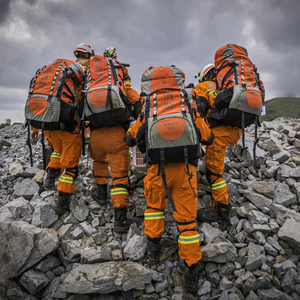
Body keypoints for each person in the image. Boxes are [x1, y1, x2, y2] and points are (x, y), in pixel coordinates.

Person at [124, 65, 214, 293]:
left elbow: (130, 140)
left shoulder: (147, 106)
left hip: (156, 170)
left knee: (154, 208)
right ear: (178, 82)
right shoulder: (188, 104)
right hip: (185, 170)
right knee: (187, 221)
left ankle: (154, 250)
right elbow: (208, 137)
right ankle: (191, 269)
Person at [88, 47, 140, 233]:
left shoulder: (90, 90)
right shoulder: (125, 90)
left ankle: (101, 193)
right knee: (119, 178)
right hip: (117, 136)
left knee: (100, 163)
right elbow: (138, 110)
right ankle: (119, 220)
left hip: (94, 136)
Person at [31, 59, 85, 215]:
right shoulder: (75, 77)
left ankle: (50, 176)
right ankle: (62, 200)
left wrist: (34, 128)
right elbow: (81, 101)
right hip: (69, 128)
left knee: (57, 150)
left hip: (49, 126)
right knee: (70, 166)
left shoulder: (51, 76)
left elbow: (41, 103)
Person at [195, 63, 242, 224]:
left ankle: (222, 209)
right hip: (236, 131)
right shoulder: (229, 86)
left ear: (204, 75)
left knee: (214, 174)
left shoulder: (203, 86)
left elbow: (199, 109)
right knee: (216, 164)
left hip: (219, 134)